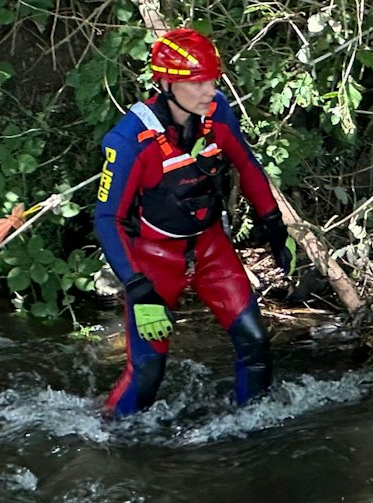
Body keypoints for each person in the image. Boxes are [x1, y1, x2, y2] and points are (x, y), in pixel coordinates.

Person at [91, 28, 300, 416]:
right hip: (153, 260)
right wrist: (138, 289)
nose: (210, 90)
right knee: (148, 371)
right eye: (198, 82)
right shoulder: (128, 140)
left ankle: (254, 438)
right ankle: (108, 440)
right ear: (167, 83)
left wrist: (274, 225)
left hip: (210, 247)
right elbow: (106, 218)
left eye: (213, 80)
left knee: (255, 343)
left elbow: (247, 166)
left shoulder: (217, 112)